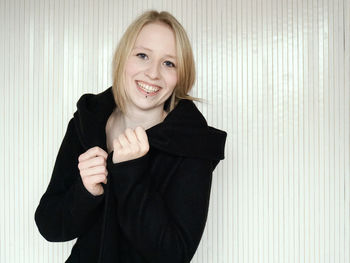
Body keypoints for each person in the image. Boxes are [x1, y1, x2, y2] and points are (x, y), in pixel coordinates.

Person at [35, 10, 227, 263]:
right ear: (123, 58)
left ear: (182, 75)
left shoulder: (193, 144)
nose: (153, 73)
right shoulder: (87, 123)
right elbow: (50, 226)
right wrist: (86, 192)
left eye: (169, 63)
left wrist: (131, 173)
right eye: (143, 55)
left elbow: (175, 255)